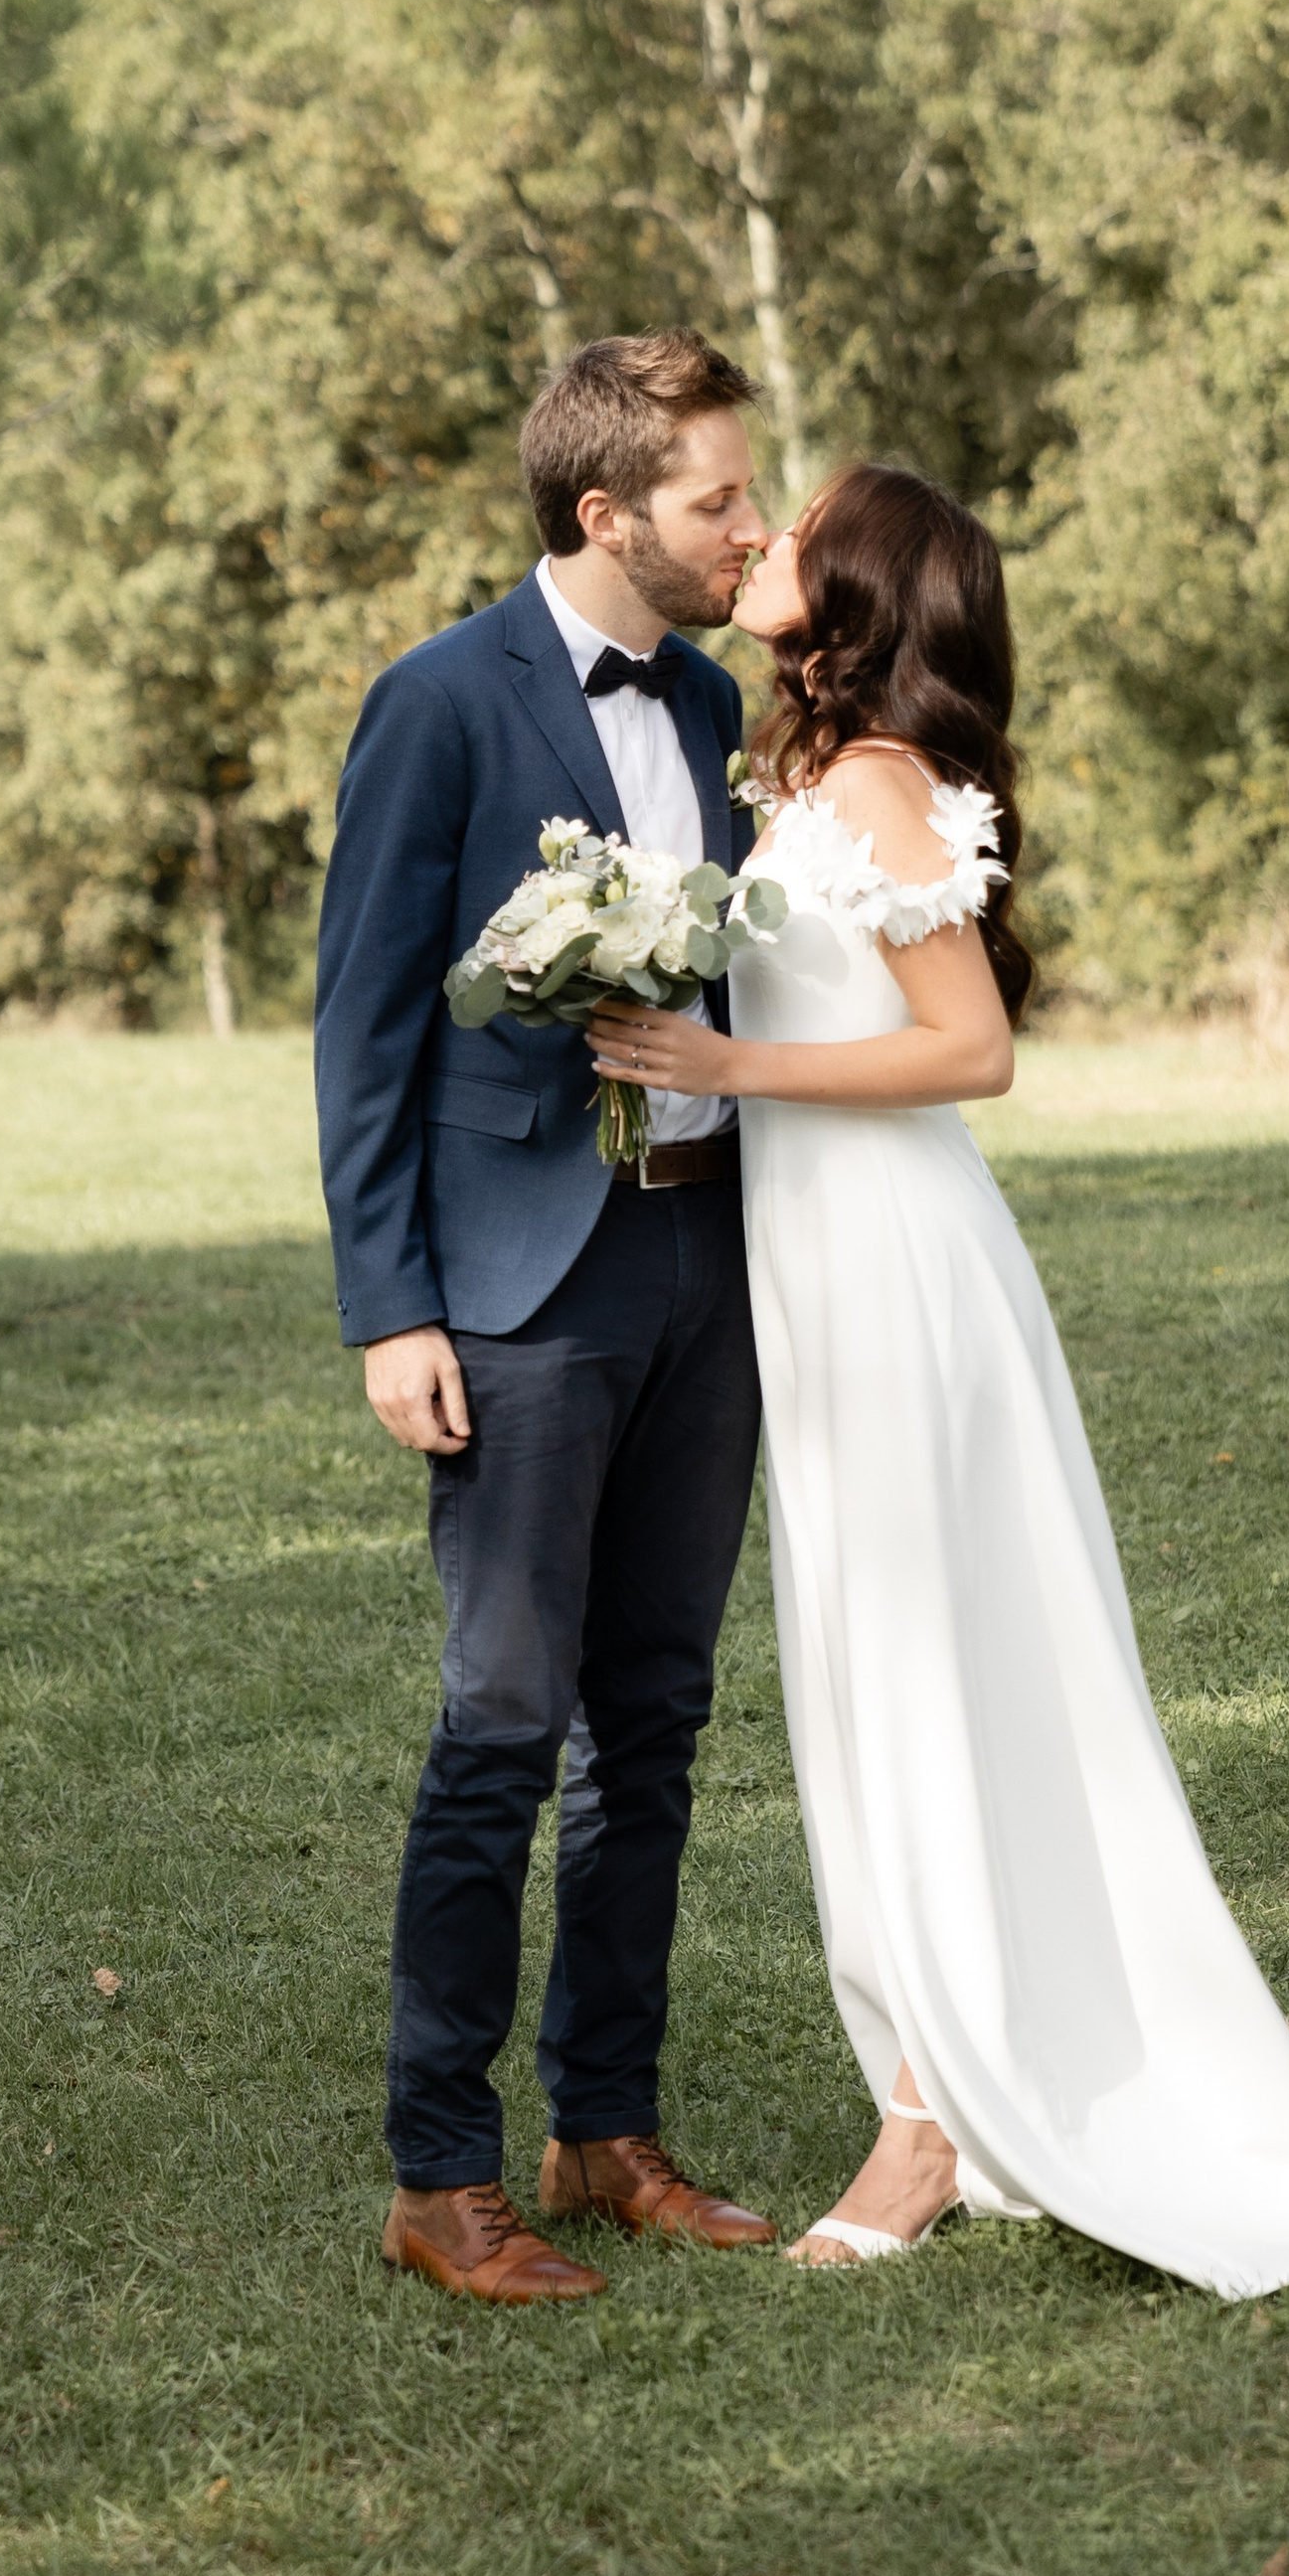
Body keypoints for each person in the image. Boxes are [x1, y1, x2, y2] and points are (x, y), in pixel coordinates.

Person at [589, 462, 1289, 2295]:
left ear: (863, 587)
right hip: (819, 1275)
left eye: (799, 523)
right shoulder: (807, 773)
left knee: (934, 1669)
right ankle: (981, 2050)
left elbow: (973, 1049)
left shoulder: (874, 787)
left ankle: (932, 2117)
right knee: (869, 1674)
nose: (761, 538)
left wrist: (722, 1061)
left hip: (902, 1274)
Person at [315, 331, 781, 2304]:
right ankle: (443, 2172)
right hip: (511, 1287)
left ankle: (603, 2131)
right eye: (714, 502)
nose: (746, 527)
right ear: (604, 517)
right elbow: (360, 1019)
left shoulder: (713, 697)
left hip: (701, 1260)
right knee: (503, 1725)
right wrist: (387, 1305)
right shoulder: (437, 701)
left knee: (652, 1725)